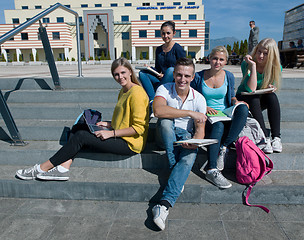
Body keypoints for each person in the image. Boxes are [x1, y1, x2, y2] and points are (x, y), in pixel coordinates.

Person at [16, 57, 149, 181]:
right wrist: (108, 124)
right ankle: (63, 168)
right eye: (116, 74)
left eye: (123, 72)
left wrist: (111, 133)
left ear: (130, 72)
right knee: (79, 126)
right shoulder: (124, 91)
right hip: (119, 134)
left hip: (130, 144)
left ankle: (41, 168)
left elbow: (138, 128)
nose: (120, 77)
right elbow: (124, 120)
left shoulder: (137, 93)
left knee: (81, 136)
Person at [151, 58, 207, 230]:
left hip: (185, 138)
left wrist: (195, 143)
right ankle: (175, 169)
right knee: (166, 122)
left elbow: (200, 130)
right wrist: (190, 113)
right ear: (174, 75)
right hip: (164, 136)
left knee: (189, 157)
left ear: (193, 77)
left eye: (187, 76)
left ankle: (163, 205)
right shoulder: (164, 89)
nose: (182, 79)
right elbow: (158, 110)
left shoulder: (199, 99)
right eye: (179, 75)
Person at [191, 46, 249, 189]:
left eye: (221, 59)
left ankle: (224, 147)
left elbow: (231, 96)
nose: (217, 62)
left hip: (225, 113)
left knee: (243, 108)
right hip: (208, 117)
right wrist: (203, 107)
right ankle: (211, 169)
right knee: (219, 126)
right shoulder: (199, 76)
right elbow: (191, 97)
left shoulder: (228, 76)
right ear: (209, 59)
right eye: (215, 58)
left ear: (225, 61)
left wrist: (236, 102)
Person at [236, 38, 282, 154]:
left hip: (259, 98)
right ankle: (264, 138)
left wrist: (272, 87)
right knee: (254, 97)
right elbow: (251, 89)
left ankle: (276, 138)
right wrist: (253, 66)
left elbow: (271, 85)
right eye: (259, 52)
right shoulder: (246, 64)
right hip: (244, 98)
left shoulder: (276, 68)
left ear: (272, 55)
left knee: (272, 97)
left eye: (265, 53)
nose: (260, 56)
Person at [139, 21, 186, 102]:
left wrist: (167, 74)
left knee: (171, 70)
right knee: (142, 73)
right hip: (161, 79)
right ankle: (152, 99)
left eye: (168, 33)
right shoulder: (159, 49)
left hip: (173, 80)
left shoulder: (178, 49)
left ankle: (156, 95)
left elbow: (183, 68)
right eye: (163, 33)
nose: (165, 36)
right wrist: (149, 68)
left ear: (174, 33)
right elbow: (158, 68)